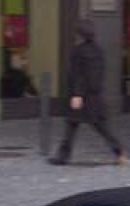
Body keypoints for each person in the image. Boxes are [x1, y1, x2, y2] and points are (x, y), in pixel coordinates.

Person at [50, 19, 122, 165]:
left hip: (82, 97)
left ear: (80, 34)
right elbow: (99, 74)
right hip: (94, 96)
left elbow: (77, 75)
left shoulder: (79, 51)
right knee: (99, 126)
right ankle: (119, 151)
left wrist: (77, 94)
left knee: (72, 125)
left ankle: (63, 157)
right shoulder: (99, 51)